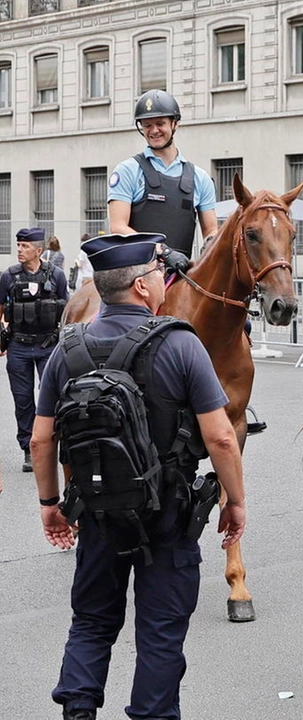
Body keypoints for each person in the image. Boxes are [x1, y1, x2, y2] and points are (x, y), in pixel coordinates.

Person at [34, 233, 246, 720]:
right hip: (168, 514)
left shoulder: (67, 349)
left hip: (97, 510)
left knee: (91, 621)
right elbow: (221, 439)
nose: (163, 281)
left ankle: (79, 710)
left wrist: (51, 504)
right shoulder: (180, 344)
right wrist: (235, 500)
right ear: (143, 286)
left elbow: (42, 441)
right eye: (158, 273)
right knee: (161, 632)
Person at [107, 89, 218, 258]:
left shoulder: (200, 178)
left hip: (180, 272)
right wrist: (162, 251)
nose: (154, 130)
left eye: (160, 123)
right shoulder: (127, 171)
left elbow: (211, 230)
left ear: (175, 123)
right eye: (147, 125)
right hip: (137, 270)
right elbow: (118, 227)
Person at [1, 227, 70, 472]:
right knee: (22, 400)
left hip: (48, 346)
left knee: (51, 399)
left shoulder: (57, 275)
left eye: (25, 246)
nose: (19, 250)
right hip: (18, 346)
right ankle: (28, 448)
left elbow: (68, 310)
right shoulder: (8, 276)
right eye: (18, 245)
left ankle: (52, 443)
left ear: (38, 250)